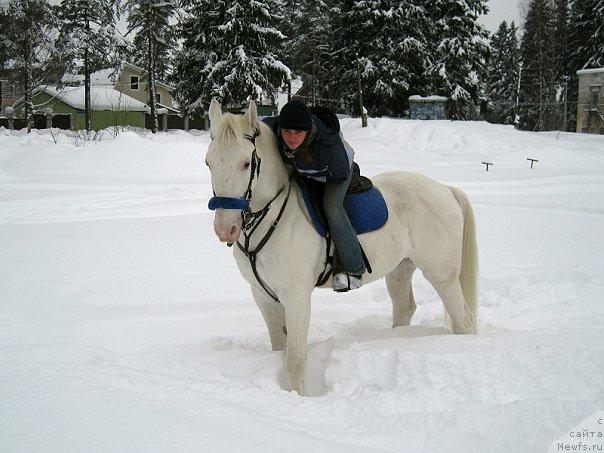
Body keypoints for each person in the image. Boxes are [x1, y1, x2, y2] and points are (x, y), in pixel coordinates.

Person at [262, 99, 366, 292]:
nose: (292, 137)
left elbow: (341, 173)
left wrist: (314, 179)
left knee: (332, 208)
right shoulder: (271, 127)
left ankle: (353, 268)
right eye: (287, 131)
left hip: (336, 172)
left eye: (298, 132)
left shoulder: (327, 148)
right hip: (304, 168)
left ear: (308, 130)